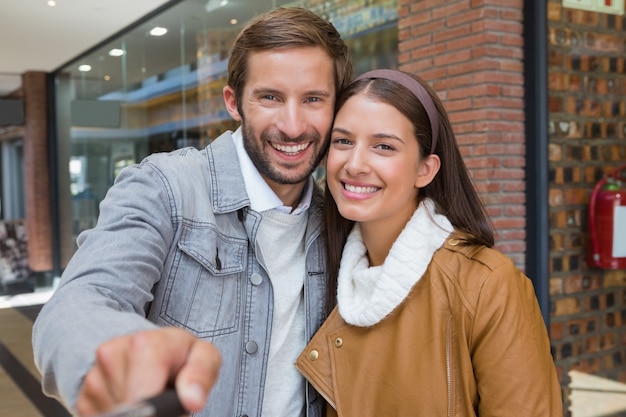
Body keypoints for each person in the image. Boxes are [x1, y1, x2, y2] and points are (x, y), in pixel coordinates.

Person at [32, 7, 353, 417]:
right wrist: (114, 355)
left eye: (312, 99)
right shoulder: (164, 187)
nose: (292, 126)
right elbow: (81, 301)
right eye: (270, 97)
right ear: (234, 103)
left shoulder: (337, 221)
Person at [295, 69, 563, 416]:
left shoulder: (486, 285)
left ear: (426, 169)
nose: (355, 163)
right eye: (343, 141)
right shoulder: (323, 273)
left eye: (384, 146)